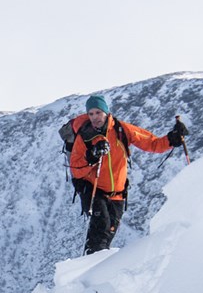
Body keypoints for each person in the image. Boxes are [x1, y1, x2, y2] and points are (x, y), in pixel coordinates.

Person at [64, 94, 188, 254]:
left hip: (117, 194)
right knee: (101, 231)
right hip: (93, 190)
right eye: (91, 114)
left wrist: (172, 138)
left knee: (107, 234)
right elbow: (76, 169)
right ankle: (89, 272)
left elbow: (152, 143)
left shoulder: (121, 130)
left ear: (106, 112)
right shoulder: (85, 137)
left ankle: (92, 270)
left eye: (98, 112)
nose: (95, 117)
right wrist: (92, 157)